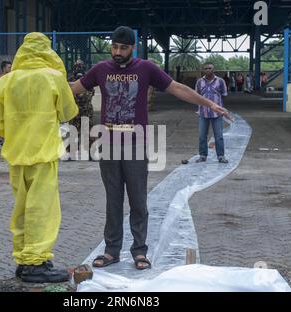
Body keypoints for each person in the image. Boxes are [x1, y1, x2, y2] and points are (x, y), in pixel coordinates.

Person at [70, 26, 232, 270]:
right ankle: (111, 251)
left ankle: (139, 251)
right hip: (108, 145)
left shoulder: (146, 69)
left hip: (136, 144)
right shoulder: (100, 69)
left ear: (132, 48)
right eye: (114, 47)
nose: (117, 52)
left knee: (137, 199)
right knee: (112, 200)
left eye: (123, 48)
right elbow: (72, 88)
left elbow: (178, 88)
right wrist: (41, 80)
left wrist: (209, 102)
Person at [0, 32, 79, 283]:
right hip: (44, 153)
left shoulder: (6, 81)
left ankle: (24, 259)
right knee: (42, 209)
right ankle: (36, 262)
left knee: (21, 209)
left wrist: (15, 132)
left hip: (16, 154)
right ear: (47, 51)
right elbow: (69, 111)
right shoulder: (54, 78)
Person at [191, 63, 229, 164]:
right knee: (202, 136)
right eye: (206, 68)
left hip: (217, 114)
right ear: (203, 70)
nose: (208, 70)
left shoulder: (220, 81)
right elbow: (196, 96)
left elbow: (224, 95)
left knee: (219, 136)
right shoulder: (199, 82)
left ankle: (221, 156)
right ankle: (203, 156)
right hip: (203, 113)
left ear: (213, 69)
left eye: (210, 68)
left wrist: (218, 105)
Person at [66, 59, 96, 161]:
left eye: (80, 66)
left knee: (87, 131)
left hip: (84, 110)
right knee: (74, 130)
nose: (78, 68)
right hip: (76, 110)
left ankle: (90, 153)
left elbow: (90, 93)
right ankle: (71, 152)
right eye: (77, 66)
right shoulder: (71, 79)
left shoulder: (87, 79)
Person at [0, 61, 13, 150]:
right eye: (9, 67)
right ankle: (1, 141)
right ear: (3, 68)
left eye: (11, 67)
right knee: (2, 122)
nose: (10, 69)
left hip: (10, 104)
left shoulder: (11, 77)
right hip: (3, 103)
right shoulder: (0, 79)